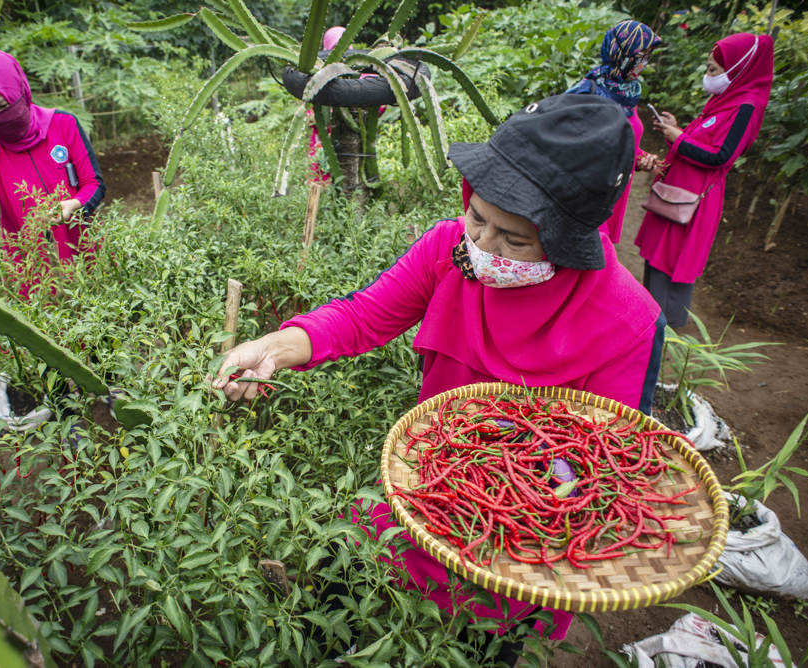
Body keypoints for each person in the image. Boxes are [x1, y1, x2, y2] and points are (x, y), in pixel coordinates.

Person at [213, 95, 665, 656]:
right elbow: (362, 315)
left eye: (514, 239)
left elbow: (599, 468)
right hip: (412, 499)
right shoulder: (448, 248)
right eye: (478, 217)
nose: (481, 247)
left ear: (567, 242)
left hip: (511, 549)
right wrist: (274, 348)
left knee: (465, 645)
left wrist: (520, 493)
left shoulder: (627, 322)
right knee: (337, 613)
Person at [635, 33, 774, 327]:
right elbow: (709, 140)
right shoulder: (724, 100)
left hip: (694, 200)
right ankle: (648, 322)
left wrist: (679, 139)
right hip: (678, 192)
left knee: (672, 262)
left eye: (713, 69)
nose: (708, 76)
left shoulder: (745, 107)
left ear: (737, 69)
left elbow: (722, 157)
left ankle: (663, 330)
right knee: (658, 259)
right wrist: (678, 130)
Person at [0, 49, 106, 296]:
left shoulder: (62, 124)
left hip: (84, 248)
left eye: (1, 106)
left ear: (20, 94)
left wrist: (74, 205)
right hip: (33, 267)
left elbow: (94, 184)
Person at [566, 19, 662, 243]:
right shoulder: (587, 93)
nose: (643, 63)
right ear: (620, 52)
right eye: (640, 57)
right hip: (586, 198)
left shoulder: (628, 93)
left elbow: (624, 142)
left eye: (647, 57)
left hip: (612, 196)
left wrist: (639, 159)